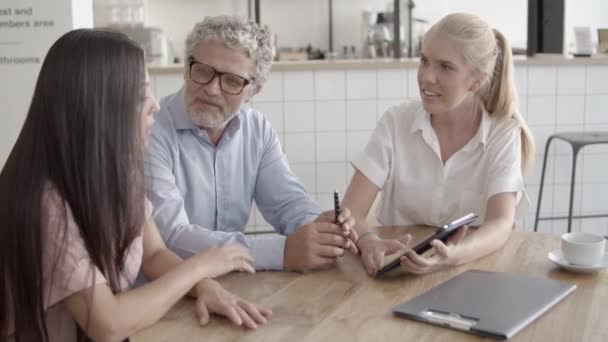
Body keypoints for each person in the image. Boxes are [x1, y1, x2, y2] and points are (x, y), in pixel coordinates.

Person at [0, 29, 270, 342]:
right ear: (101, 106)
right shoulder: (46, 203)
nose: (155, 104)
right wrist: (199, 268)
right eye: (142, 94)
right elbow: (108, 325)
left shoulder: (119, 171)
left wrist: (204, 287)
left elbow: (153, 254)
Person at [145, 15, 357, 272]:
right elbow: (171, 238)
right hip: (164, 293)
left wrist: (318, 229)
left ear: (253, 91)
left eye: (232, 81)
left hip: (232, 287)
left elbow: (288, 202)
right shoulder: (149, 130)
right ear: (186, 68)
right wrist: (283, 251)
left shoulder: (257, 129)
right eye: (202, 70)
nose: (212, 89)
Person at [343, 13, 535, 276]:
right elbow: (351, 210)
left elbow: (501, 224)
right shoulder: (395, 121)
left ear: (476, 80)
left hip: (473, 270)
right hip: (397, 269)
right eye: (424, 61)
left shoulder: (502, 132)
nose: (427, 77)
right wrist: (368, 241)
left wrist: (454, 256)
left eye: (445, 67)